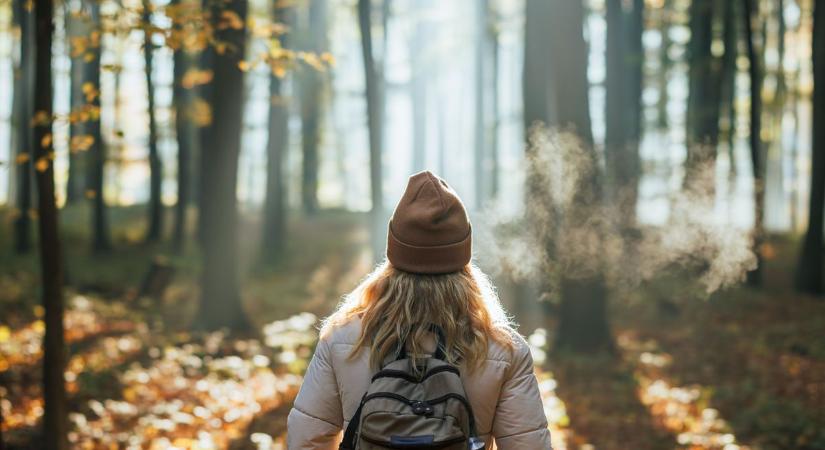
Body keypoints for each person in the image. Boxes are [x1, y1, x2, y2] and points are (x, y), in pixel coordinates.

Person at [287, 171, 552, 449]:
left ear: (394, 252)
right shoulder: (503, 349)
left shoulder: (343, 338)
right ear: (464, 256)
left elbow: (307, 439)